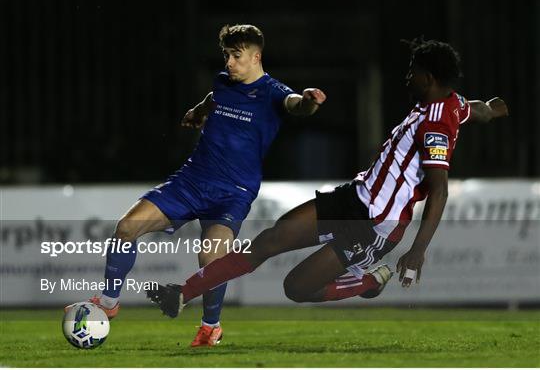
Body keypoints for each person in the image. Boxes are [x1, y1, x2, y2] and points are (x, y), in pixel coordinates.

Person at [146, 37, 509, 319]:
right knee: (271, 238)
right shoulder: (451, 105)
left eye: (412, 70)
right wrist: (493, 109)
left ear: (428, 78)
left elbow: (439, 190)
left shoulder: (436, 125)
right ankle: (182, 293)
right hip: (353, 196)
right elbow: (474, 109)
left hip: (375, 224)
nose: (406, 75)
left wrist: (417, 251)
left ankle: (368, 281)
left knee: (296, 287)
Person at [65, 24, 326, 347]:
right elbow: (213, 97)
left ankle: (210, 326)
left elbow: (296, 104)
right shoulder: (223, 82)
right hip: (191, 181)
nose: (229, 62)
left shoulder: (272, 92)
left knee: (211, 259)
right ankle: (108, 302)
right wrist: (198, 111)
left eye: (236, 56)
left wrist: (311, 101)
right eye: (226, 55)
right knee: (127, 227)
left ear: (256, 56)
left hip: (233, 193)